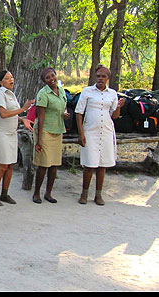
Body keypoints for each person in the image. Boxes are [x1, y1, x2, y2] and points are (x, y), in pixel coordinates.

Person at [75, 64, 126, 205]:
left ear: (108, 78)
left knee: (102, 164)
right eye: (98, 76)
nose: (100, 79)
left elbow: (114, 115)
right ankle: (84, 193)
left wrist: (119, 107)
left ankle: (98, 194)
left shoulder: (112, 94)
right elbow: (79, 113)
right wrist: (81, 133)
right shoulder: (87, 92)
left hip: (106, 131)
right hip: (90, 131)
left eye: (103, 76)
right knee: (89, 164)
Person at [0, 70, 33, 206]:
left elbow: (12, 114)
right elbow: (4, 113)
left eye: (12, 77)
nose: (11, 80)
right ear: (1, 82)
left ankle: (5, 193)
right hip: (1, 134)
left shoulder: (11, 94)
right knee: (2, 165)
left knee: (10, 165)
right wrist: (24, 108)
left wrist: (22, 119)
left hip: (11, 133)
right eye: (7, 78)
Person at [32, 67, 69, 204]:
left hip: (58, 129)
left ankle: (48, 193)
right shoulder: (43, 94)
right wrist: (39, 140)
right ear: (44, 81)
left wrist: (63, 114)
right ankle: (36, 193)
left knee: (54, 164)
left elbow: (61, 107)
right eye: (47, 78)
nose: (51, 79)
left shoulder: (61, 90)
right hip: (45, 130)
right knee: (44, 164)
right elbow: (40, 117)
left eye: (52, 76)